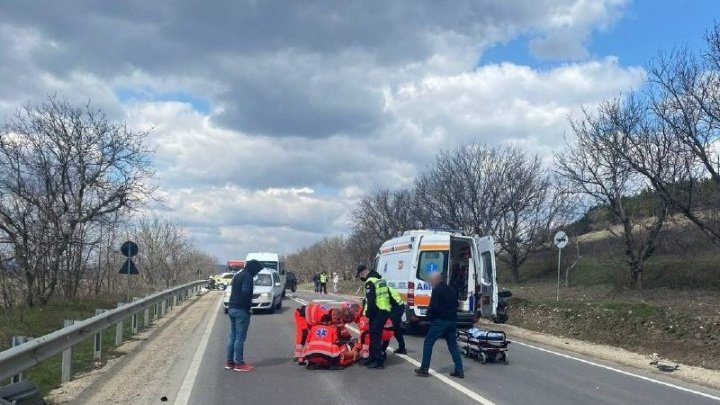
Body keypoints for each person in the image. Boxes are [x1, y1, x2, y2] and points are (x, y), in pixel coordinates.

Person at [414, 270, 464, 379]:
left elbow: (434, 307)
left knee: (428, 342)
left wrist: (429, 318)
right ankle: (459, 369)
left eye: (431, 280)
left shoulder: (437, 291)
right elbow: (456, 304)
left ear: (436, 280)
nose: (430, 282)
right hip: (452, 321)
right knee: (452, 345)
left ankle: (424, 368)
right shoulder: (452, 289)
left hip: (440, 321)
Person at [226, 259, 263, 372]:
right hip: (241, 310)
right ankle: (239, 363)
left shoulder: (238, 275)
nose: (257, 273)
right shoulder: (247, 277)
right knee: (240, 338)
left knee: (233, 336)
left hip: (232, 307)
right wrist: (248, 309)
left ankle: (230, 362)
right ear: (253, 268)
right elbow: (246, 293)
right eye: (257, 270)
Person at [356, 264, 391, 369]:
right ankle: (372, 357)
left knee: (375, 337)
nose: (361, 278)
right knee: (374, 335)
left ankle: (378, 361)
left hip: (377, 312)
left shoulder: (370, 282)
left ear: (362, 273)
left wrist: (367, 314)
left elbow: (370, 301)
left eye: (360, 276)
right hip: (384, 310)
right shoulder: (380, 279)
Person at [388, 285, 407, 354]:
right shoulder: (387, 287)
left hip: (397, 309)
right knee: (396, 329)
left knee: (389, 328)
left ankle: (382, 349)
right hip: (398, 308)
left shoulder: (384, 289)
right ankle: (402, 348)